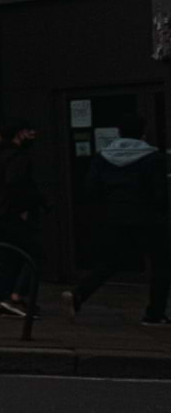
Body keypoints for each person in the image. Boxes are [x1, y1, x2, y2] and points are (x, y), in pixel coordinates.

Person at [65, 134, 170, 325]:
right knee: (161, 266)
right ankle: (155, 313)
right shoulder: (153, 158)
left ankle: (79, 294)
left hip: (114, 218)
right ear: (143, 132)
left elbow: (91, 188)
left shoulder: (102, 157)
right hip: (147, 219)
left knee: (111, 262)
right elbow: (160, 193)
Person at [0, 120, 44, 318]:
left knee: (2, 257)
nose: (32, 134)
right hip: (10, 214)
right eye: (28, 131)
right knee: (35, 253)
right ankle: (15, 297)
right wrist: (23, 208)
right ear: (18, 134)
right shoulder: (17, 157)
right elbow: (15, 183)